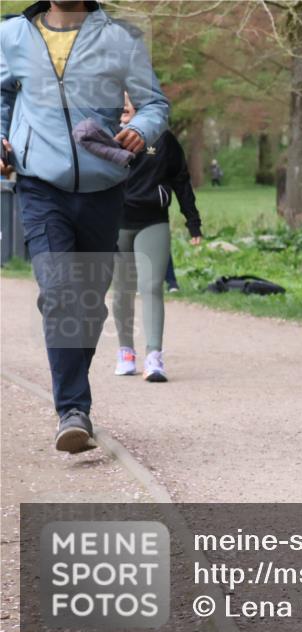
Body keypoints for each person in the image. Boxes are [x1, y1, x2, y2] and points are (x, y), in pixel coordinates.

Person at [0, 0, 169, 452]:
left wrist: (143, 129)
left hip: (102, 186)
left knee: (90, 304)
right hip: (39, 184)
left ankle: (74, 399)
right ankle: (73, 410)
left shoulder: (120, 39)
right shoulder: (12, 35)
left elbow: (154, 103)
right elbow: (2, 95)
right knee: (59, 291)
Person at [112, 93, 201, 382]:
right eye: (121, 105)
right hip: (116, 223)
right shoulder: (104, 135)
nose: (125, 108)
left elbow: (181, 181)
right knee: (123, 290)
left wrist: (193, 222)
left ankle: (154, 356)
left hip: (153, 221)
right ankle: (126, 351)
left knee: (151, 287)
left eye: (130, 104)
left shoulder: (163, 140)